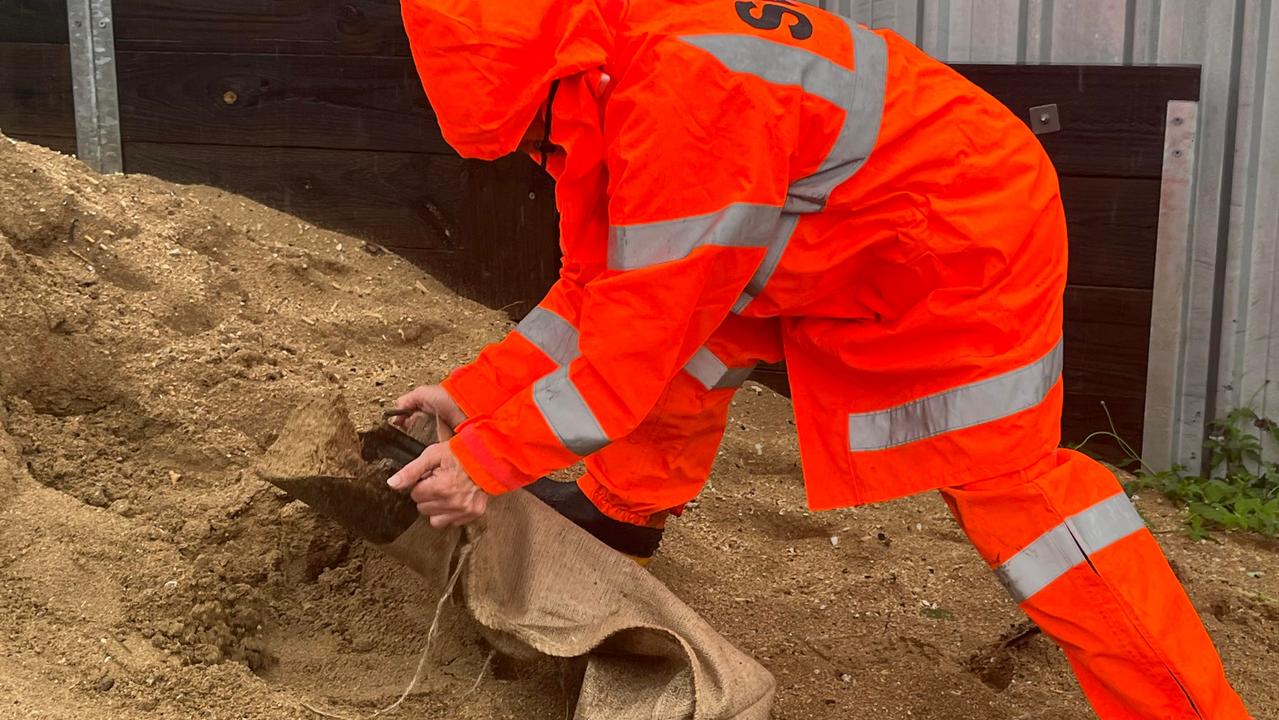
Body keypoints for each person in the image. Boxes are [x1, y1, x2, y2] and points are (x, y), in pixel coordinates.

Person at [384, 0, 1252, 716]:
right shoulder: (604, 57)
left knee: (1016, 495)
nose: (543, 155)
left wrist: (485, 462)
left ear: (554, 76)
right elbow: (595, 286)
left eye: (537, 132)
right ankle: (619, 514)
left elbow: (630, 348)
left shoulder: (682, 97)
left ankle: (1185, 709)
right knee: (688, 324)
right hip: (846, 222)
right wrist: (471, 395)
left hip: (957, 235)